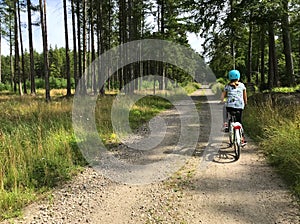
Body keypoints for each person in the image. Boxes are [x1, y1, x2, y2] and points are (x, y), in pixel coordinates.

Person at [220, 69, 247, 146]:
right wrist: (245, 104)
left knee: (225, 107)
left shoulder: (227, 86)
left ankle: (225, 123)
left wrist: (221, 100)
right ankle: (242, 139)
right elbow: (245, 97)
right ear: (238, 77)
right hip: (239, 107)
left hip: (230, 107)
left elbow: (222, 96)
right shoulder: (242, 86)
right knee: (239, 122)